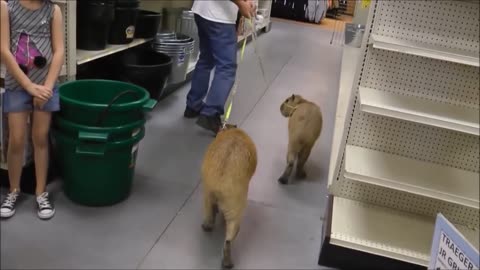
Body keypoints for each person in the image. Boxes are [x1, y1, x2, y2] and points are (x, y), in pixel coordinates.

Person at [0, 0, 64, 220]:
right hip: (18, 86)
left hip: (46, 87)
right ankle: (14, 189)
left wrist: (46, 88)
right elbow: (4, 50)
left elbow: (59, 51)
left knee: (39, 138)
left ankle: (40, 191)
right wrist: (28, 87)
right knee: (17, 139)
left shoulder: (53, 10)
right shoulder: (6, 7)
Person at [184, 0, 255, 134]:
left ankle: (193, 106)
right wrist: (241, 4)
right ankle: (211, 114)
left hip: (202, 11)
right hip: (219, 17)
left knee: (206, 59)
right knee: (226, 67)